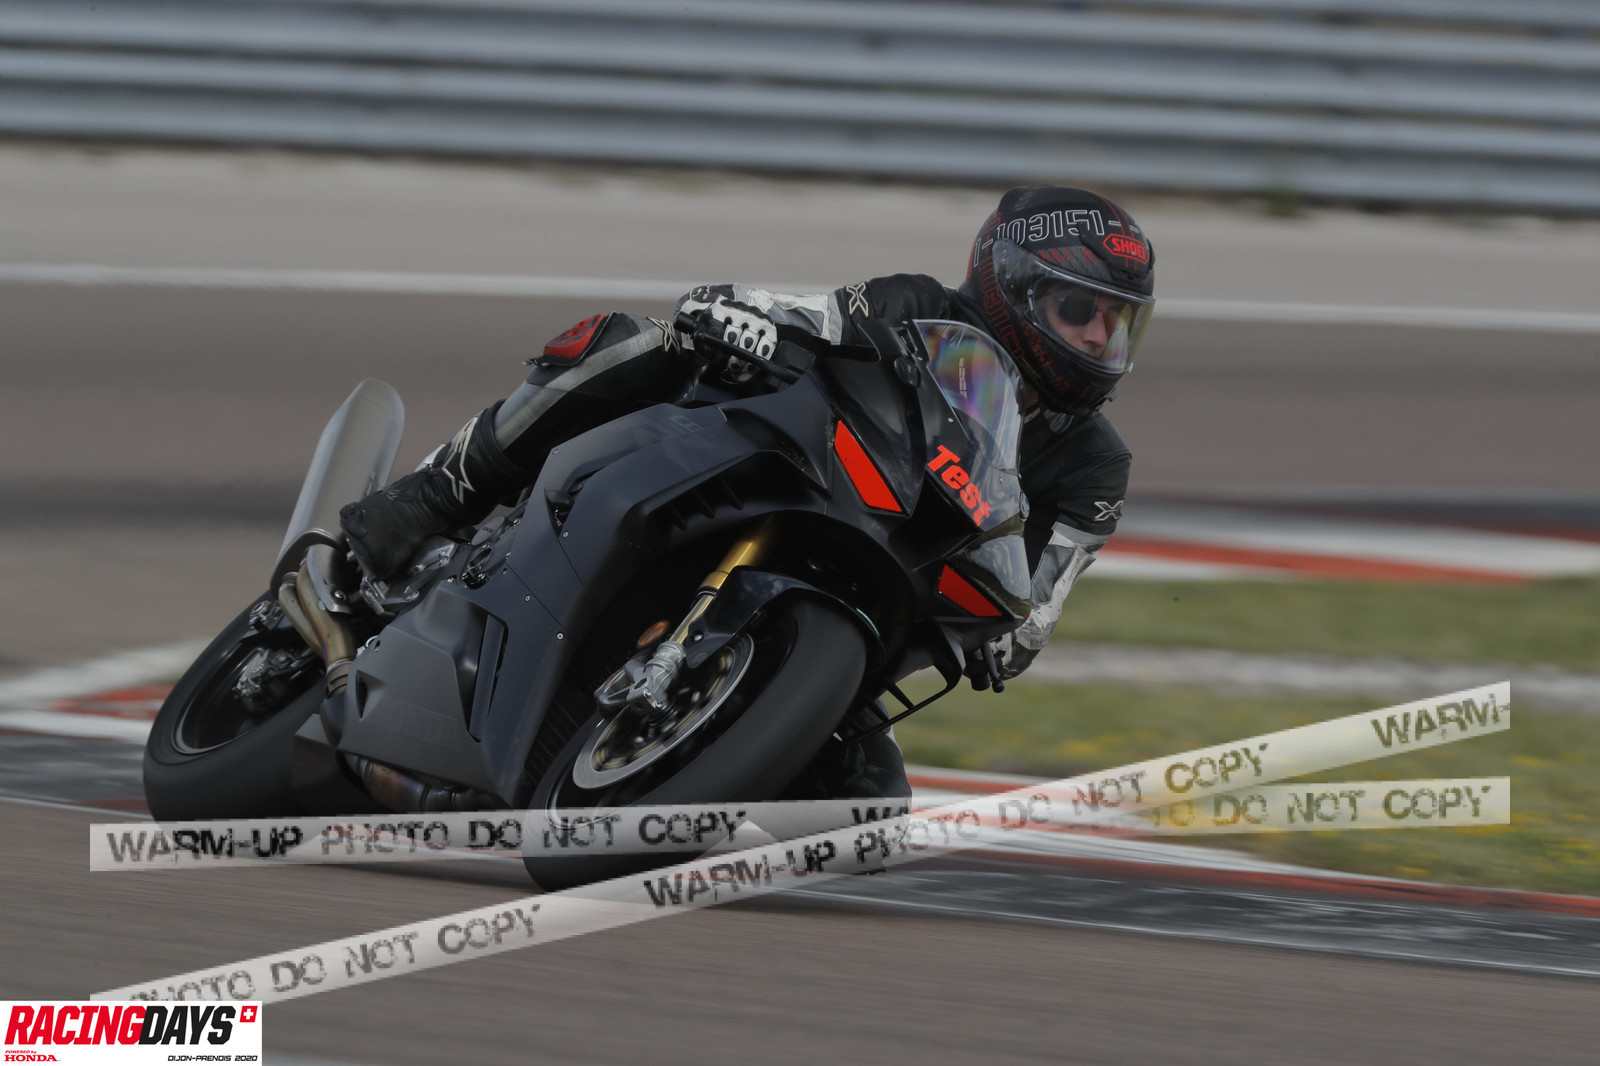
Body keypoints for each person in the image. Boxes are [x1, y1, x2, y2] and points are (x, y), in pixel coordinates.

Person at [337, 185, 1154, 801]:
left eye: (1117, 321)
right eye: (1078, 309)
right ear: (1011, 288)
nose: (1098, 336)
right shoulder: (915, 305)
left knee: (869, 815)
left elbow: (1035, 611)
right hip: (799, 491)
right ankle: (433, 496)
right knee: (633, 343)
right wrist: (744, 317)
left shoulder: (1095, 466)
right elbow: (804, 315)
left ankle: (686, 774)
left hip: (877, 606)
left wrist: (1007, 625)